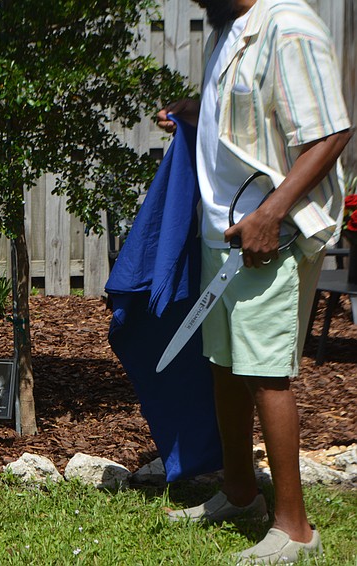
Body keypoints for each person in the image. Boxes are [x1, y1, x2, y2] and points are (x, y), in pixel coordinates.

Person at [156, 0, 352, 563]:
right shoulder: (227, 30)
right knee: (224, 365)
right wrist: (197, 111)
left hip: (272, 235)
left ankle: (295, 528)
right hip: (225, 232)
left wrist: (273, 213)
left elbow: (331, 132)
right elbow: (245, 117)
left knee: (265, 373)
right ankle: (240, 493)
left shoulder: (289, 25)